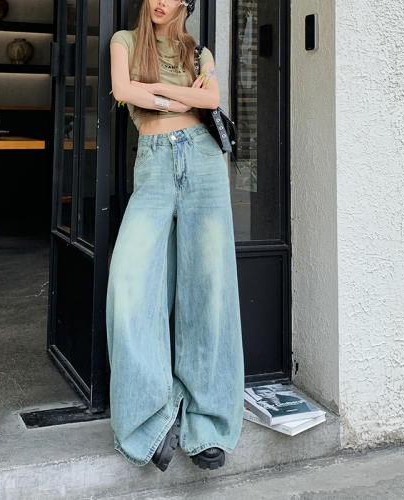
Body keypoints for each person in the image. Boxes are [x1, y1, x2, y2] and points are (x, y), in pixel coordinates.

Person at [106, 0, 245, 472]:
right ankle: (151, 419)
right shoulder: (124, 42)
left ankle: (207, 424)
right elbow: (123, 89)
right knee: (129, 283)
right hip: (155, 164)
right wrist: (182, 96)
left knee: (209, 290)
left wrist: (159, 92)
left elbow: (212, 101)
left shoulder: (199, 52)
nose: (158, 1)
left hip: (203, 162)